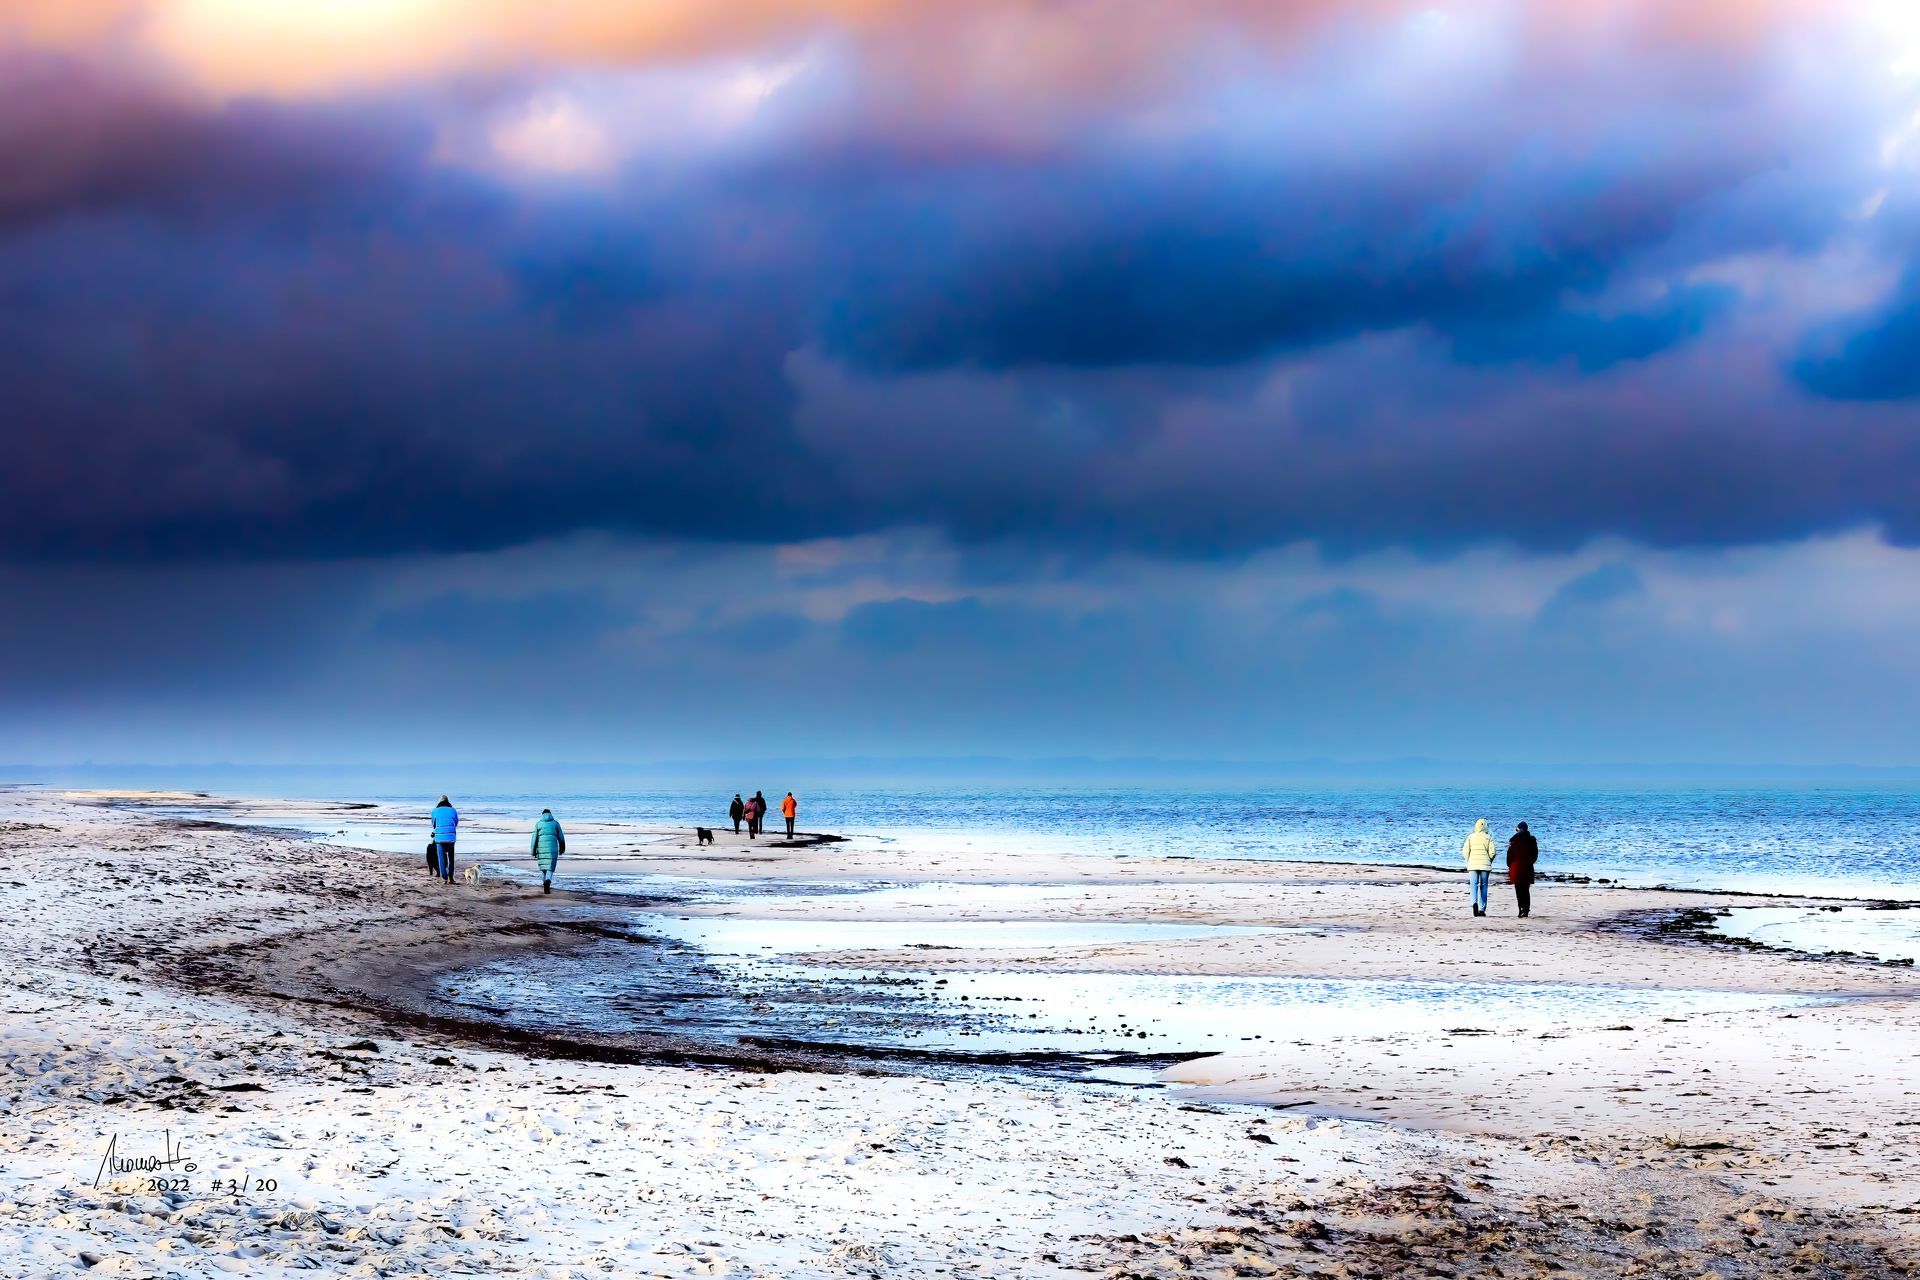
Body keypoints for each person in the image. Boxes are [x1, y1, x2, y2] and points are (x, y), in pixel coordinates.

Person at [1462, 818, 1495, 917]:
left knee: (1473, 885)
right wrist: (1489, 860)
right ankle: (1481, 909)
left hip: (1473, 864)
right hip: (1485, 865)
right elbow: (1493, 852)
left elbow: (1465, 852)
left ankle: (1474, 903)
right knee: (1484, 886)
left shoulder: (1470, 837)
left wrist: (1469, 860)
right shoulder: (1488, 837)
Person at [1506, 821, 1539, 918]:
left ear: (1518, 829)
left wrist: (1510, 865)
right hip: (1527, 867)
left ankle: (1521, 909)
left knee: (1518, 890)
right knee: (1526, 889)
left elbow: (1509, 856)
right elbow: (1535, 855)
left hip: (1516, 867)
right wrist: (1530, 862)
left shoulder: (1514, 841)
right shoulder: (1532, 840)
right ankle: (1526, 909)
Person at [531, 808, 566, 895]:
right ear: (551, 814)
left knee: (543, 868)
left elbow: (534, 838)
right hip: (552, 848)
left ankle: (545, 885)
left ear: (542, 815)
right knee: (550, 867)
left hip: (541, 848)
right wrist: (562, 848)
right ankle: (548, 881)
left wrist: (533, 851)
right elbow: (561, 837)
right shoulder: (555, 823)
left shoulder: (538, 824)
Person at [431, 795, 459, 884]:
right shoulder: (453, 810)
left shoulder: (435, 811)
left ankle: (444, 878)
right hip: (450, 837)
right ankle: (451, 877)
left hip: (439, 837)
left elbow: (433, 823)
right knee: (451, 858)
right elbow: (456, 821)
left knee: (441, 858)